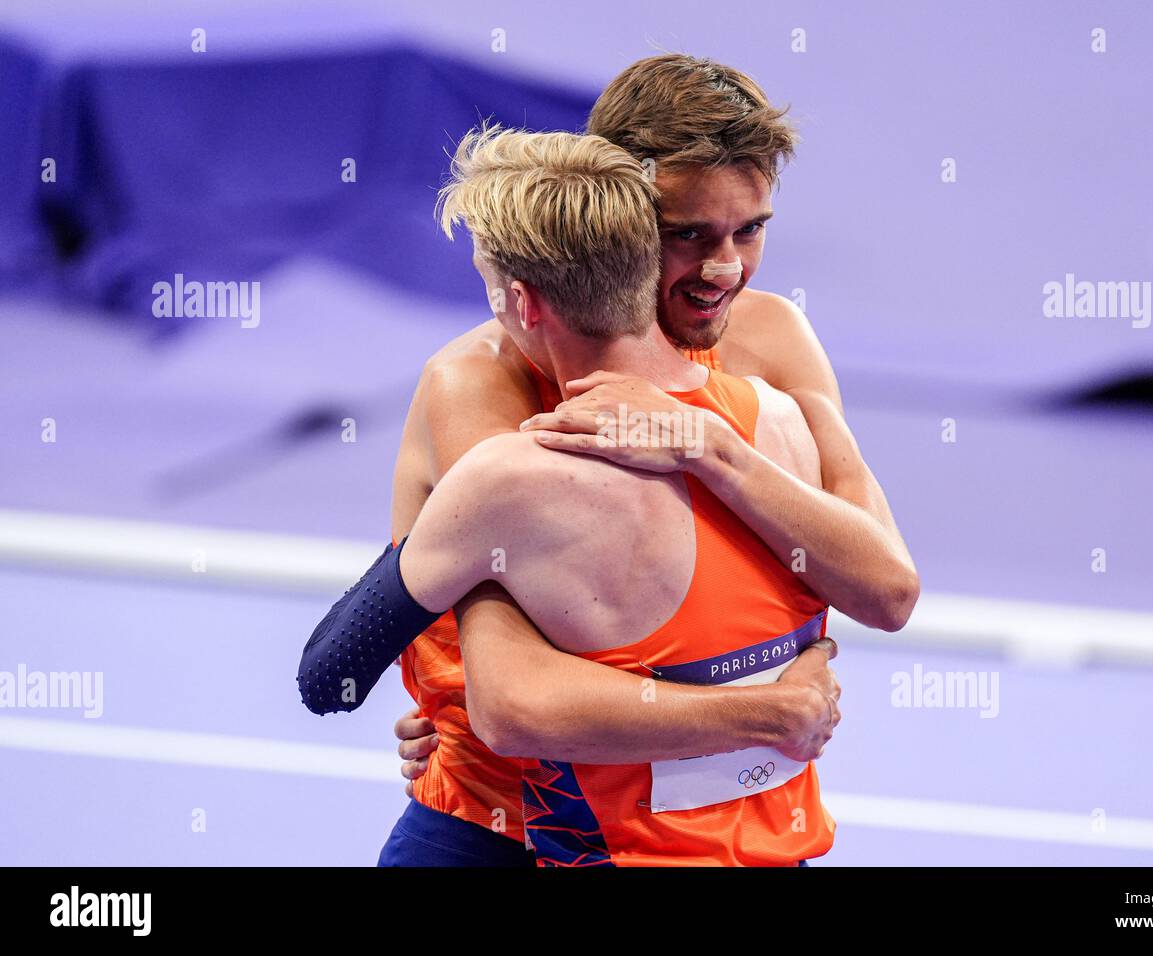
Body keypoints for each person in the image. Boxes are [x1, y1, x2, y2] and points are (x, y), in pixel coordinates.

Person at [317, 54, 918, 865]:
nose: (725, 269)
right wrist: (771, 710)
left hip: (714, 833)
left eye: (752, 229)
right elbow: (512, 694)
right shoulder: (489, 379)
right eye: (689, 235)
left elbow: (883, 589)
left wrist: (707, 445)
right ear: (624, 211)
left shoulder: (773, 344)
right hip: (505, 825)